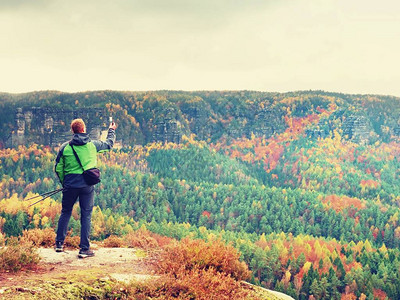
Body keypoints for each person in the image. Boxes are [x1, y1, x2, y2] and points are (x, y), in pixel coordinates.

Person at [54, 118, 116, 258]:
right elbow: (109, 144)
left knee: (66, 212)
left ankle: (59, 244)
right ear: (83, 129)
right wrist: (111, 130)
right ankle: (84, 249)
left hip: (70, 185)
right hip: (87, 185)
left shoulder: (65, 147)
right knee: (86, 215)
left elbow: (58, 167)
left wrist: (65, 182)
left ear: (73, 131)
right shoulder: (92, 145)